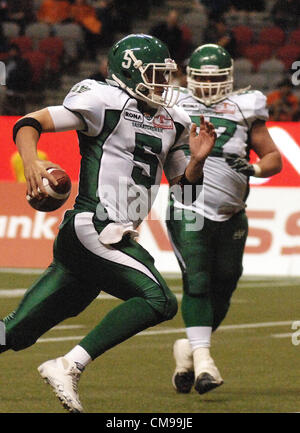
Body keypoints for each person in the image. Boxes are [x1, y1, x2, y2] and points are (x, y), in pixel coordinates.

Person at [0, 34, 216, 413]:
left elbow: (184, 197)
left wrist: (196, 162)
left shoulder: (173, 121)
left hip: (107, 238)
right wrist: (32, 161)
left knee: (16, 331)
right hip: (92, 226)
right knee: (159, 300)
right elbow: (30, 122)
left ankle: (62, 362)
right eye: (155, 74)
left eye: (165, 75)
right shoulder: (104, 100)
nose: (163, 83)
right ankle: (68, 365)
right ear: (129, 73)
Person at [167, 44, 282, 395]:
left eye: (216, 79)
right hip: (188, 204)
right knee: (197, 281)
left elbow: (273, 157)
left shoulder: (246, 105)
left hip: (232, 212)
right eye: (202, 78)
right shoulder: (173, 102)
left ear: (229, 78)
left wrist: (256, 168)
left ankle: (188, 347)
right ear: (190, 77)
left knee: (226, 284)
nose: (209, 85)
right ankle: (204, 363)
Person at [1, 44, 32, 115]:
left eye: (13, 51)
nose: (12, 53)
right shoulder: (6, 62)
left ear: (17, 52)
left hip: (15, 88)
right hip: (4, 86)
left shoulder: (23, 63)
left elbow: (24, 77)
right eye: (10, 51)